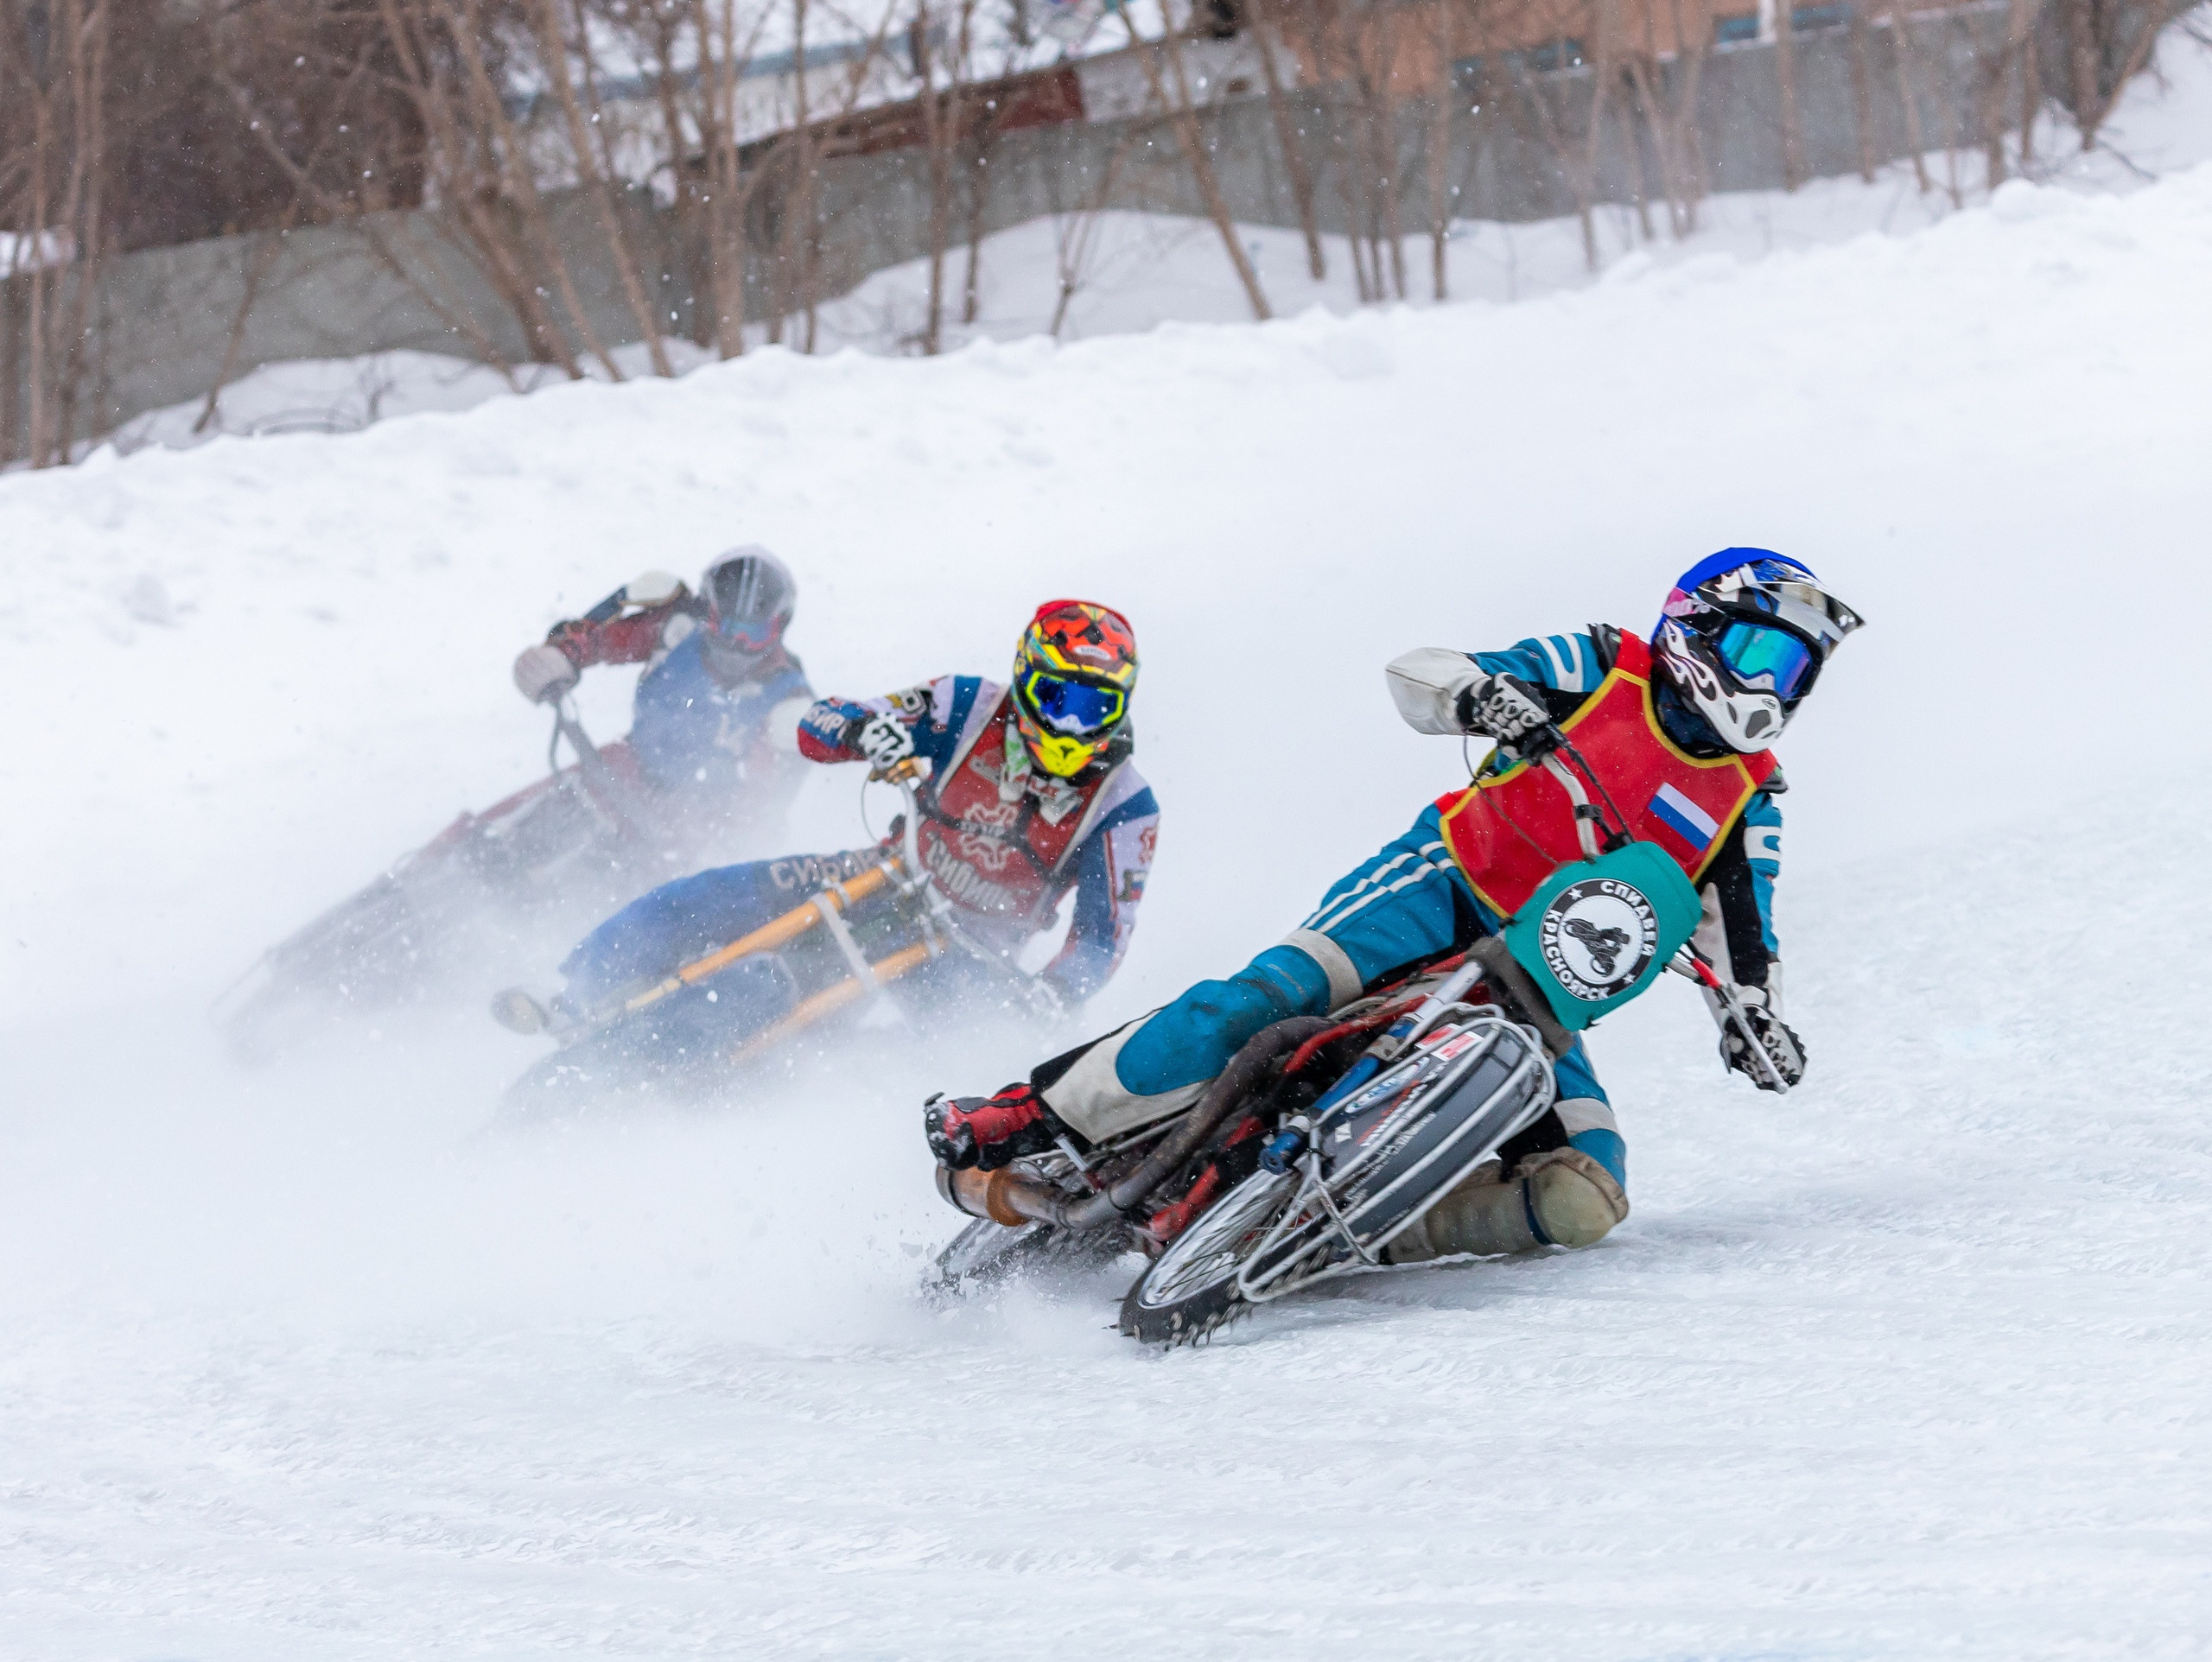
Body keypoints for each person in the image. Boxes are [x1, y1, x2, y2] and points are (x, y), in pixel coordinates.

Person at [925, 550, 1863, 1263]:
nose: (1768, 685)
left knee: (1590, 1194)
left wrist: (1754, 1019)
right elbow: (1423, 671)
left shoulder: (1751, 792)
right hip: (1437, 884)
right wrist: (1483, 696)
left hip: (1547, 975)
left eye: (1792, 671)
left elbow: (1743, 933)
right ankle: (1031, 1113)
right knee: (1264, 999)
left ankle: (1331, 1238)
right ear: (1691, 627)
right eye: (1756, 653)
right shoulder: (1602, 665)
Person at [495, 599, 1160, 1033]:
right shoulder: (965, 706)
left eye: (1095, 708)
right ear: (1023, 679)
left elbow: (1102, 938)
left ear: (1121, 707)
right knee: (708, 896)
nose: (1071, 725)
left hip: (971, 952)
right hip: (889, 874)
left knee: (919, 1065)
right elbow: (822, 720)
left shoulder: (1126, 808)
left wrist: (1054, 992)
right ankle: (574, 997)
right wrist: (865, 733)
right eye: (1056, 697)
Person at [508, 547, 815, 843]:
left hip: (696, 827)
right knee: (502, 829)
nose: (737, 643)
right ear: (708, 612)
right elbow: (597, 638)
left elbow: (760, 807)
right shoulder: (675, 626)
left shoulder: (789, 703)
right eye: (727, 626)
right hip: (623, 770)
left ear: (780, 627)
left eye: (754, 633)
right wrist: (560, 657)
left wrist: (708, 836)